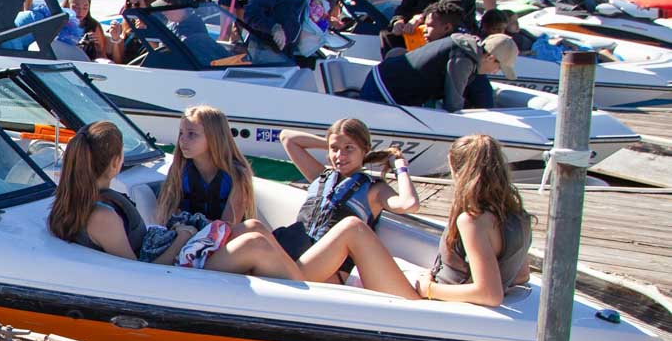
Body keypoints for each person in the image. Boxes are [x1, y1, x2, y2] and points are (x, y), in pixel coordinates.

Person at [48, 121, 299, 277]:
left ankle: (304, 281)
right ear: (116, 163)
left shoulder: (84, 201)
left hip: (172, 256)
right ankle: (309, 300)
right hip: (174, 273)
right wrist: (181, 238)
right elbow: (137, 275)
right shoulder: (102, 216)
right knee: (255, 244)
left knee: (253, 227)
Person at [274, 120, 420, 286]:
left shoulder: (374, 190)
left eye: (349, 148)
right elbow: (287, 137)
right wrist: (335, 143)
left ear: (364, 149)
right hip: (294, 255)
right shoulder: (321, 176)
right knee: (254, 230)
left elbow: (409, 204)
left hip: (325, 273)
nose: (340, 156)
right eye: (334, 149)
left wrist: (400, 167)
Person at [418, 134, 531, 306]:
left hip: (447, 306)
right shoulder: (519, 215)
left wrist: (429, 289)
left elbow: (490, 295)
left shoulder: (472, 221)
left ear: (456, 169)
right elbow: (521, 275)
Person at [361, 1, 493, 111]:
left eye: (429, 26)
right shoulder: (458, 48)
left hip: (380, 82)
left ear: (447, 28)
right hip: (384, 92)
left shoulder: (463, 56)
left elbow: (481, 97)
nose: (423, 29)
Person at [155, 106, 261, 229]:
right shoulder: (179, 169)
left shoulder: (237, 175)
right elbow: (167, 216)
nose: (182, 139)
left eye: (192, 134)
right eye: (181, 133)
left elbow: (228, 227)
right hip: (185, 234)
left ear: (214, 137)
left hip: (223, 238)